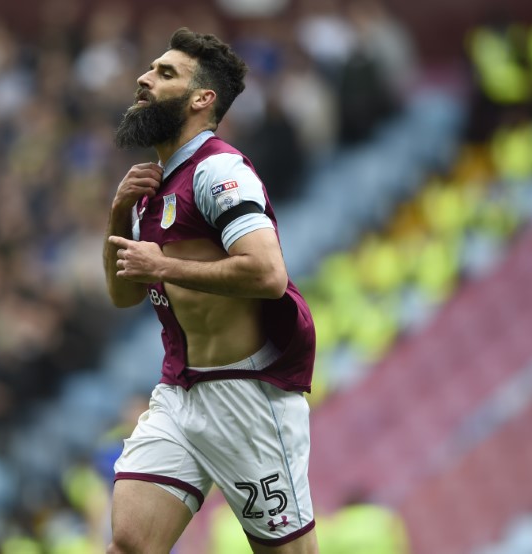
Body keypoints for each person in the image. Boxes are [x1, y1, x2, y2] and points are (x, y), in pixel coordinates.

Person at [103, 28, 317, 553]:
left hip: (245, 397)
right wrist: (116, 214)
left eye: (165, 73)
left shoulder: (219, 169)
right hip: (181, 391)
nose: (144, 78)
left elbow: (267, 274)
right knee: (131, 542)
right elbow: (124, 294)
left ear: (203, 100)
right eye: (150, 68)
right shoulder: (154, 188)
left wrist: (166, 264)